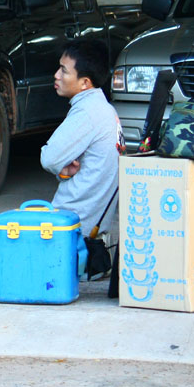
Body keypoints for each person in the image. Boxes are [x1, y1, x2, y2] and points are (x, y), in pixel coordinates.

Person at [40, 38, 124, 241]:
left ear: (85, 82)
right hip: (93, 223)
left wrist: (59, 167)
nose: (56, 75)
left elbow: (49, 158)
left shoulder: (86, 113)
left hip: (72, 224)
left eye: (64, 71)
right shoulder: (105, 109)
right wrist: (64, 171)